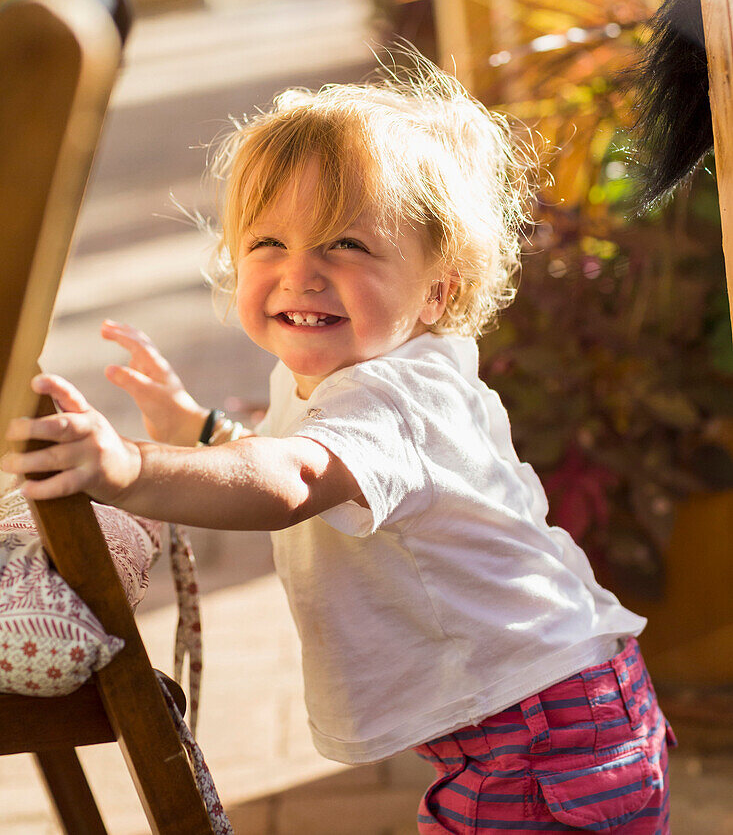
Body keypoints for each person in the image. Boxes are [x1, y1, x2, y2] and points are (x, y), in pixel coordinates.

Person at [3, 60, 674, 833]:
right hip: (535, 712)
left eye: (346, 244)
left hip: (542, 734)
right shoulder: (340, 366)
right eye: (268, 242)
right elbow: (295, 452)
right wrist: (200, 432)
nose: (301, 275)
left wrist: (127, 468)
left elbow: (288, 480)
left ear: (436, 292)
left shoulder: (393, 395)